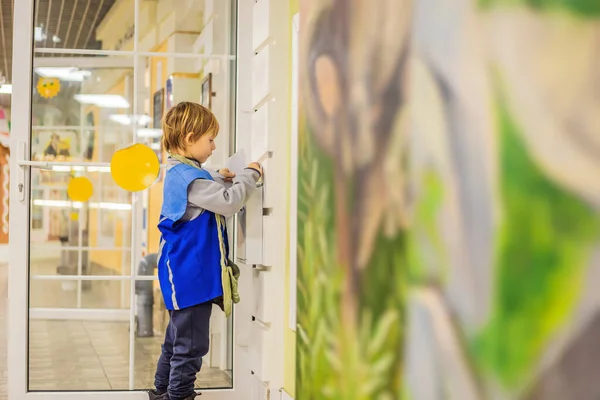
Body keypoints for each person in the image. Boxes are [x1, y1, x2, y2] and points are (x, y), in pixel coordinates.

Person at [149, 102, 262, 400]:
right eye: (209, 139)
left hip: (182, 277)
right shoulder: (193, 181)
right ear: (189, 138)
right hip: (191, 279)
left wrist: (217, 176)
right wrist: (249, 174)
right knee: (191, 347)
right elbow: (228, 202)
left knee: (176, 342)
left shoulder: (180, 172)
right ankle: (178, 395)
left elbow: (203, 184)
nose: (213, 146)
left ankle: (161, 391)